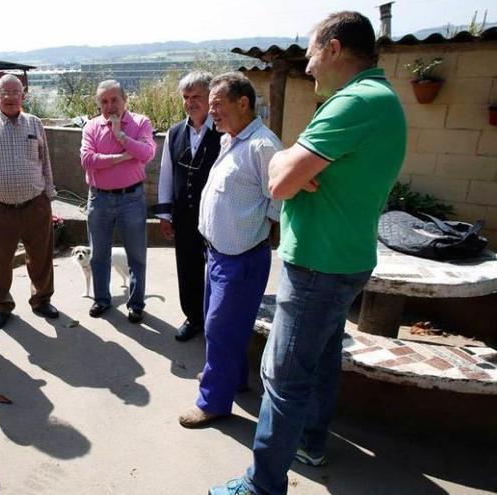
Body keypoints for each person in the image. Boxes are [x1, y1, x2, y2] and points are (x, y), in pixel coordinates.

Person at [209, 12, 406, 495]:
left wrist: (288, 167)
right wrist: (291, 166)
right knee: (319, 360)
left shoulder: (355, 103)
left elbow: (278, 180)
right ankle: (312, 442)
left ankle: (262, 484)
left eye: (313, 52)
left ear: (335, 49)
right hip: (344, 256)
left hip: (320, 263)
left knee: (283, 375)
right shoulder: (377, 100)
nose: (309, 65)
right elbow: (288, 172)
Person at [176, 72, 281, 429]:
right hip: (218, 254)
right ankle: (233, 381)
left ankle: (213, 402)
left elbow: (278, 204)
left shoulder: (262, 146)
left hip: (241, 258)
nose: (213, 112)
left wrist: (252, 233)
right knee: (223, 325)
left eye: (218, 105)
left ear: (243, 103)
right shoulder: (231, 140)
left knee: (221, 329)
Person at [0, 74, 59, 329]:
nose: (9, 97)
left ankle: (41, 299)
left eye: (15, 92)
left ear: (24, 95)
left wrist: (48, 194)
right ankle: (1, 304)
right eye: (4, 92)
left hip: (35, 204)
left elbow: (45, 162)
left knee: (41, 257)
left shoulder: (35, 123)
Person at [80, 80, 156, 323]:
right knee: (99, 255)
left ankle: (135, 304)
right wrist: (123, 157)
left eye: (114, 99)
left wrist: (120, 135)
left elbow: (147, 153)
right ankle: (102, 299)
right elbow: (87, 159)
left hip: (131, 199)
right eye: (104, 101)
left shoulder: (140, 123)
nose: (110, 105)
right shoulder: (91, 126)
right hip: (99, 199)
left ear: (125, 99)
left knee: (137, 255)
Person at [154, 71, 222, 341]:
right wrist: (164, 214)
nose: (190, 102)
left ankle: (215, 321)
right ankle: (193, 317)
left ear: (209, 98)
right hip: (184, 216)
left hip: (217, 217)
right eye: (186, 97)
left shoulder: (223, 130)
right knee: (188, 267)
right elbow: (166, 174)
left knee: (217, 270)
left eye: (197, 96)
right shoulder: (174, 132)